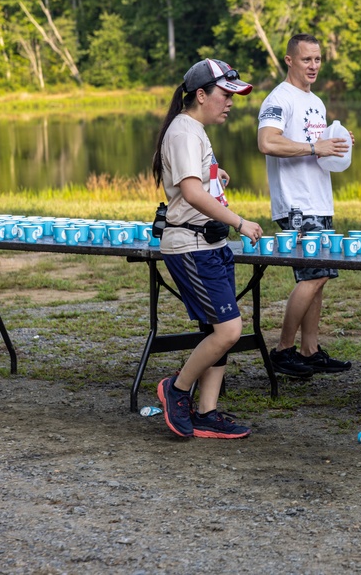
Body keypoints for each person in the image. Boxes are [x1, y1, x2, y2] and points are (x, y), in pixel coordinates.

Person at [153, 58, 263, 439]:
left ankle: (207, 412)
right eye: (225, 94)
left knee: (216, 328)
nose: (231, 101)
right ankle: (177, 389)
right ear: (201, 95)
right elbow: (191, 192)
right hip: (192, 245)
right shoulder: (184, 132)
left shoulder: (195, 129)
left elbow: (200, 181)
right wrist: (240, 221)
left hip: (210, 243)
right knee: (230, 330)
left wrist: (217, 175)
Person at [257, 33, 352, 377]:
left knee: (321, 275)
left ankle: (310, 351)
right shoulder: (279, 99)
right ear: (289, 60)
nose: (313, 66)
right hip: (296, 203)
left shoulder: (314, 100)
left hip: (319, 199)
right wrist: (315, 148)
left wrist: (333, 138)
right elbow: (267, 142)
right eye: (306, 59)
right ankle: (283, 351)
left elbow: (314, 141)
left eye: (317, 59)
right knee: (312, 275)